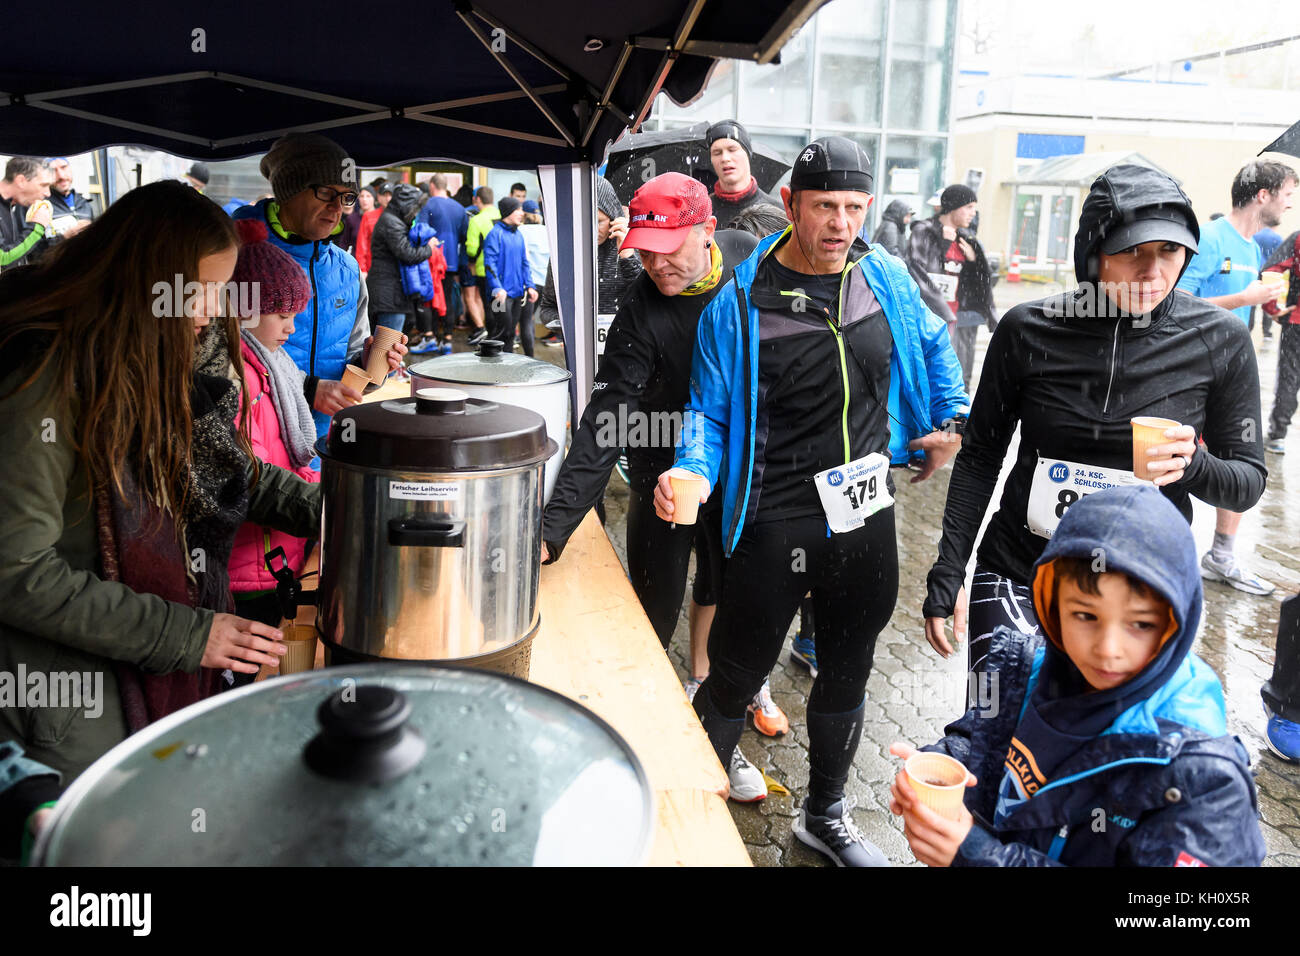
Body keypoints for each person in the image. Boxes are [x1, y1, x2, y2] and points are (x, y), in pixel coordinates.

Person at [656, 136, 970, 866]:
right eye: (825, 206)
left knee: (849, 666)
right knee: (735, 671)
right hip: (775, 515)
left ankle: (824, 815)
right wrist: (693, 473)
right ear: (790, 205)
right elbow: (706, 413)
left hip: (864, 510)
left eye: (854, 208)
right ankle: (682, 804)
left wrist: (951, 419)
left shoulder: (882, 274)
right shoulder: (737, 304)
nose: (840, 224)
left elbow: (932, 341)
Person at [0, 181, 322, 783]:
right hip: (67, 702)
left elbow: (227, 471)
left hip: (132, 670)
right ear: (144, 280)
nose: (208, 314)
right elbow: (15, 571)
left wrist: (343, 510)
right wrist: (187, 634)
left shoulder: (143, 356)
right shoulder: (42, 373)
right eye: (200, 293)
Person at [923, 163, 1267, 674]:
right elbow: (979, 455)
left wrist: (1192, 466)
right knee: (993, 727)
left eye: (1170, 251)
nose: (1153, 273)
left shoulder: (1219, 340)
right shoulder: (1027, 330)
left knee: (1103, 748)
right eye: (1132, 252)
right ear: (1092, 253)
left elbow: (1246, 484)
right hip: (1020, 571)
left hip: (1139, 595)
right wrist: (950, 568)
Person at [893, 486, 1266, 867]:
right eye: (1086, 616)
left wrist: (977, 856)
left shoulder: (1203, 780)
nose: (1108, 648)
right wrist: (935, 766)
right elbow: (975, 736)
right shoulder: (1016, 664)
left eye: (1139, 623)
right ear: (1051, 605)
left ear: (1177, 624)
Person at [541, 173, 769, 775]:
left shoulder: (752, 260)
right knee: (650, 606)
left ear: (708, 233)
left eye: (667, 250)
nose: (654, 264)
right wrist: (554, 525)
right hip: (661, 471)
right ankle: (627, 739)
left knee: (728, 599)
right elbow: (610, 414)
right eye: (643, 249)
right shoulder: (641, 306)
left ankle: (715, 721)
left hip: (740, 472)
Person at [233, 133, 407, 438]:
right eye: (327, 192)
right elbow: (223, 357)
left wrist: (369, 364)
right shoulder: (240, 257)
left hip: (323, 446)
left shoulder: (347, 268)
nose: (337, 206)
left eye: (346, 196)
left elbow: (352, 356)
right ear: (289, 190)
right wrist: (306, 388)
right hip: (256, 448)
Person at [1176, 159, 1296, 596]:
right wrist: (1242, 296)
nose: (1289, 202)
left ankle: (1222, 556)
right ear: (1262, 195)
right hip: (1191, 370)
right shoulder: (1209, 239)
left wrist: (1268, 305)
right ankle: (1158, 548)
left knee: (1243, 460)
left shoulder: (1251, 249)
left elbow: (1241, 304)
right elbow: (1177, 300)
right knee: (1174, 462)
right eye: (1286, 193)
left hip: (1232, 374)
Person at [227, 219, 321, 640]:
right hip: (247, 568)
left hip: (277, 554)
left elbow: (284, 456)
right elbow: (248, 477)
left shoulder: (272, 368)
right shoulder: (238, 378)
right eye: (282, 315)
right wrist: (329, 508)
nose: (291, 328)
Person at [907, 184, 997, 390]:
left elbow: (979, 283)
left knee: (959, 379)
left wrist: (974, 261)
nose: (973, 213)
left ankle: (956, 421)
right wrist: (944, 243)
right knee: (930, 379)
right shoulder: (925, 232)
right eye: (969, 207)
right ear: (954, 207)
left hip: (962, 318)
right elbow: (917, 271)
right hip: (933, 318)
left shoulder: (966, 238)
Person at [368, 183, 437, 342]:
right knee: (387, 347)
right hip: (389, 295)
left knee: (387, 345)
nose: (416, 213)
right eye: (415, 208)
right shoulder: (391, 222)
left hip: (391, 292)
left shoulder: (392, 219)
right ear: (407, 205)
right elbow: (407, 253)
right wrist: (430, 248)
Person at [416, 172, 471, 352]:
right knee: (447, 298)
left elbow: (421, 231)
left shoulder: (428, 204)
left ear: (432, 186)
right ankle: (447, 339)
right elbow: (465, 236)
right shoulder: (459, 208)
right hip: (451, 261)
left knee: (429, 298)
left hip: (431, 261)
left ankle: (430, 336)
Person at [483, 196, 537, 355]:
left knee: (511, 333)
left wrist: (530, 285)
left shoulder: (518, 234)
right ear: (508, 212)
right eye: (518, 210)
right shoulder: (495, 234)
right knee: (501, 332)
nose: (522, 213)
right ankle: (489, 365)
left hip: (517, 293)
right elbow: (489, 264)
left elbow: (524, 263)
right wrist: (497, 287)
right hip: (499, 295)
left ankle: (507, 366)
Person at [1262, 229, 1300, 454]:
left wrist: (1272, 309)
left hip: (1296, 322)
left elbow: (1271, 270)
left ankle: (1277, 436)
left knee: (1289, 377)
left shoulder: (1298, 238)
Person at [706, 119, 777, 222]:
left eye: (732, 150)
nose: (725, 158)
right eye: (717, 153)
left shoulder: (776, 212)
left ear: (747, 154)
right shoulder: (700, 213)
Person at [0, 156, 52, 269]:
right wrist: (37, 228)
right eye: (43, 185)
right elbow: (3, 259)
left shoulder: (12, 206)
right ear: (21, 181)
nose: (48, 193)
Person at [464, 186, 500, 346]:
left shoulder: (476, 220)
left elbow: (472, 249)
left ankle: (492, 340)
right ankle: (501, 337)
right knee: (499, 305)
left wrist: (470, 262)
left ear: (478, 199)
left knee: (488, 305)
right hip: (502, 270)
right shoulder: (503, 215)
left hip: (483, 269)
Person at [519, 200, 549, 353]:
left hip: (530, 282)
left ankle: (529, 357)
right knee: (529, 318)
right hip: (545, 282)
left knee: (526, 320)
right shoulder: (546, 230)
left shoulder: (521, 231)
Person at [45, 158, 94, 238]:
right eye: (53, 170)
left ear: (71, 169)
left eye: (64, 167)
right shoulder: (40, 205)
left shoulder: (85, 204)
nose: (61, 175)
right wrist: (63, 237)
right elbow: (32, 246)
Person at [1255, 225, 1284, 339]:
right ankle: (1266, 331)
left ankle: (1248, 326)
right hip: (1269, 271)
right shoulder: (1277, 237)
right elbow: (1280, 257)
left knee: (1251, 302)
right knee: (1268, 299)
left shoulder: (1255, 235)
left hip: (1255, 268)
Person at [333, 182, 373, 254]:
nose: (364, 199)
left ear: (374, 198)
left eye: (368, 196)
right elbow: (344, 242)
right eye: (362, 196)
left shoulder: (380, 218)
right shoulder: (352, 219)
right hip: (356, 259)